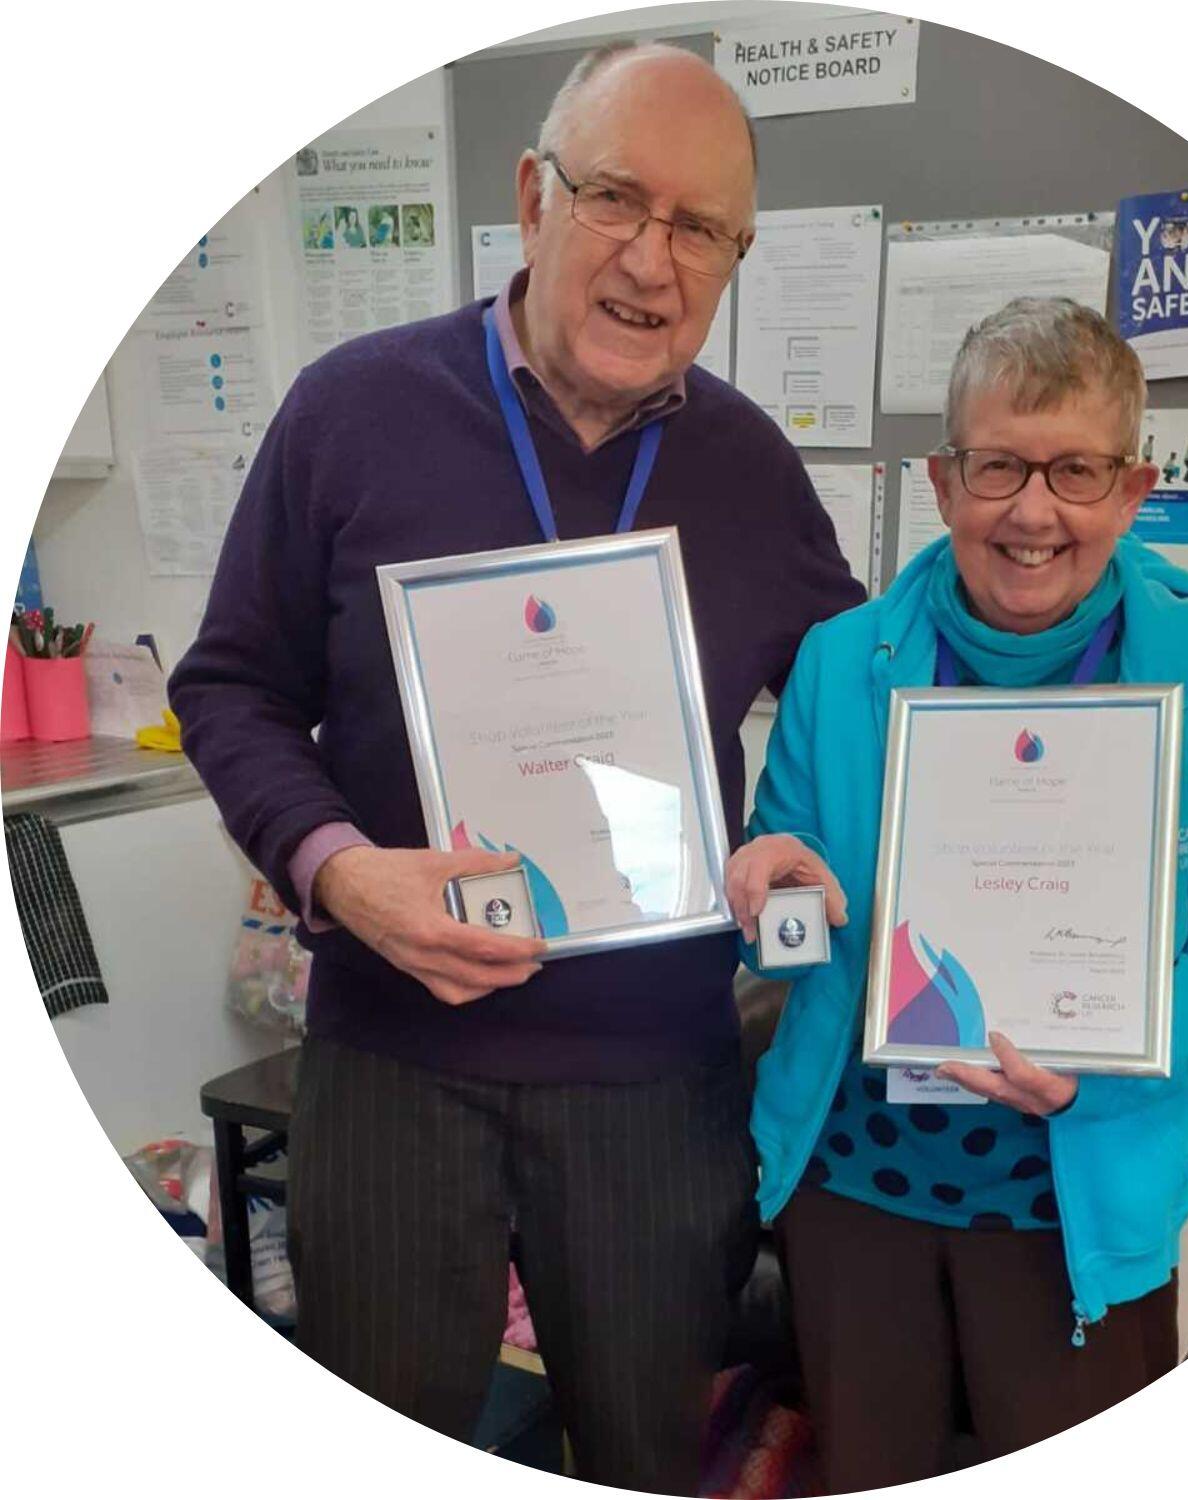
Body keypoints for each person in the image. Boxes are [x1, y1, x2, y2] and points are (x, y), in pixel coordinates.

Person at [168, 42, 862, 1493]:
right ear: (533, 196)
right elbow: (229, 690)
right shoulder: (347, 412)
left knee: (643, 1450)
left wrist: (791, 836)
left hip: (652, 1087)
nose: (651, 262)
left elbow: (846, 707)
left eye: (702, 231)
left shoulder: (750, 470)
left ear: (734, 257)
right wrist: (337, 872)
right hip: (393, 1059)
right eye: (618, 199)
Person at [726, 298, 1188, 1490]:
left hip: (1075, 1196)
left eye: (1077, 471)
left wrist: (1112, 1047)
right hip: (859, 1188)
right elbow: (789, 918)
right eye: (998, 466)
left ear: (1133, 487)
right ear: (944, 483)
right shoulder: (843, 663)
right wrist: (768, 891)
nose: (1034, 511)